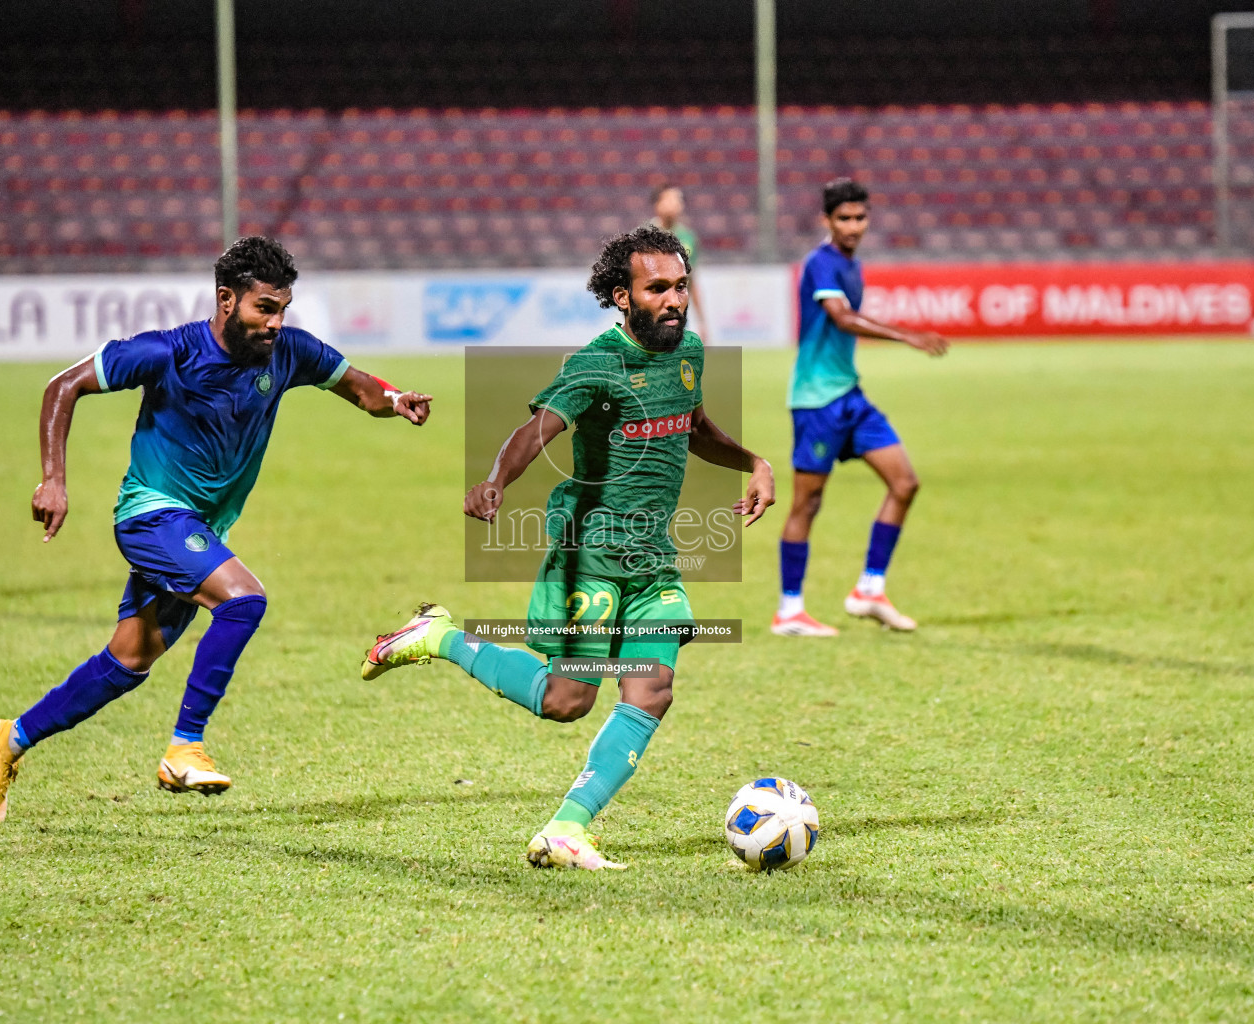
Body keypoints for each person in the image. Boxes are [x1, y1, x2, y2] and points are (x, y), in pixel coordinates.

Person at [0, 237, 432, 823]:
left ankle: (9, 740)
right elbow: (63, 386)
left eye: (284, 308)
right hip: (152, 515)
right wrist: (53, 479)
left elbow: (362, 389)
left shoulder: (289, 352)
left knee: (127, 663)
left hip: (198, 527)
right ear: (226, 299)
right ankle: (183, 748)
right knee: (243, 601)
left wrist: (397, 400)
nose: (275, 322)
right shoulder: (167, 352)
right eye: (264, 308)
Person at [361, 226, 774, 870]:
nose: (674, 300)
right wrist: (496, 481)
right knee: (567, 701)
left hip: (654, 556)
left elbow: (692, 425)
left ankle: (566, 829)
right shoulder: (595, 364)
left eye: (681, 286)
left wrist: (755, 463)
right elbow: (537, 430)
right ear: (622, 295)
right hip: (592, 551)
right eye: (657, 288)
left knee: (652, 689)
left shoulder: (689, 351)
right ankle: (440, 636)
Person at [770, 178, 949, 637]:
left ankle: (870, 589)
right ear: (827, 221)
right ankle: (790, 610)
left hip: (849, 397)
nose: (853, 226)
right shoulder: (820, 264)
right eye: (844, 218)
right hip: (816, 402)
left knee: (904, 483)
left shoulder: (854, 264)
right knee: (807, 503)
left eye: (860, 217)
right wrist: (907, 335)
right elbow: (842, 318)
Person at [648, 184, 708, 343]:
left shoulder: (688, 238)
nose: (675, 204)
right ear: (657, 204)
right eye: (670, 199)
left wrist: (702, 322)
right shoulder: (643, 236)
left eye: (678, 200)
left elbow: (691, 281)